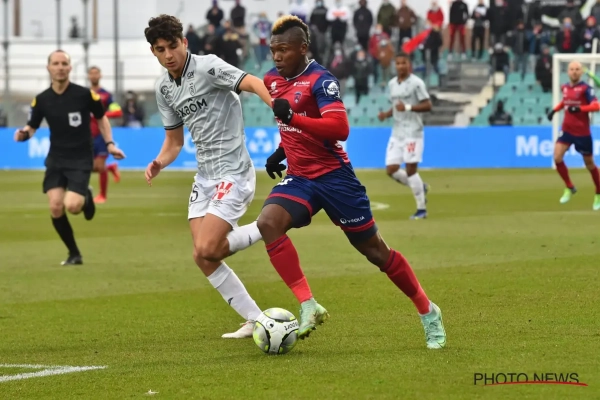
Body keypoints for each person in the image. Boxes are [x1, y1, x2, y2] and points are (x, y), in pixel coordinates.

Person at [260, 15, 446, 349]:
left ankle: (427, 310)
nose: (277, 56)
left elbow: (339, 128)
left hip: (335, 178)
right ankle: (308, 304)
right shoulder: (271, 80)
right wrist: (280, 151)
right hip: (300, 177)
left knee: (376, 252)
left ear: (303, 48)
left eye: (284, 50)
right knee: (268, 223)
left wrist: (293, 117)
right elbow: (292, 126)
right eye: (273, 50)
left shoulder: (321, 80)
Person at [143, 14, 272, 338]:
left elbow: (252, 82)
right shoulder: (163, 88)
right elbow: (174, 142)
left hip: (234, 171)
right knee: (202, 256)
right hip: (205, 177)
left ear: (184, 42)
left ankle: (267, 226)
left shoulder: (208, 67)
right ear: (154, 52)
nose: (169, 54)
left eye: (173, 46)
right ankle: (256, 319)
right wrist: (160, 161)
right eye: (161, 49)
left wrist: (277, 105)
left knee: (209, 247)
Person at [13, 50, 125, 265]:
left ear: (70, 68)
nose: (60, 67)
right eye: (56, 63)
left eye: (64, 63)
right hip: (56, 158)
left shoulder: (84, 95)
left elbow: (101, 118)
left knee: (72, 207)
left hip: (80, 157)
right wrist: (23, 134)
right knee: (56, 207)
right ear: (48, 68)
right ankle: (74, 254)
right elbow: (32, 126)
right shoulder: (42, 99)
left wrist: (110, 144)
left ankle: (85, 197)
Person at [378, 53, 432, 220]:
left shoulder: (417, 83)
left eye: (404, 63)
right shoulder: (392, 84)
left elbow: (428, 105)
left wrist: (408, 107)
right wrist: (386, 114)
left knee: (410, 170)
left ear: (409, 64)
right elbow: (396, 106)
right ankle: (420, 187)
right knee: (391, 169)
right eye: (398, 63)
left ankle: (421, 209)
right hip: (397, 132)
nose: (401, 66)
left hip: (413, 132)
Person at [547, 61, 600, 210]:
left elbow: (597, 106)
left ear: (581, 72)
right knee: (557, 157)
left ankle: (598, 192)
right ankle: (570, 187)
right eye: (572, 69)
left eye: (577, 69)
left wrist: (580, 109)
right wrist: (555, 110)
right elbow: (565, 101)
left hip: (582, 132)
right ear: (568, 72)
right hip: (567, 129)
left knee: (590, 164)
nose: (574, 71)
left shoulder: (586, 89)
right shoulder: (564, 87)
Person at [88, 66, 123, 204]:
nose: (94, 76)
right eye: (91, 74)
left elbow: (118, 111)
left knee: (100, 166)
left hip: (102, 135)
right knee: (89, 167)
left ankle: (102, 195)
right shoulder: (84, 94)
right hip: (87, 135)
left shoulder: (106, 95)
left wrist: (102, 114)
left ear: (100, 75)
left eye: (96, 73)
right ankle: (111, 168)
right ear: (88, 76)